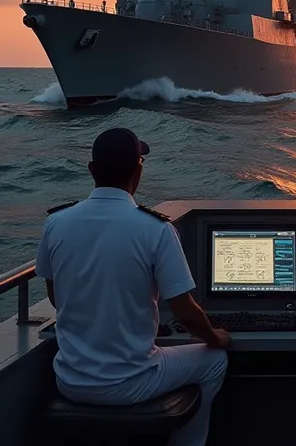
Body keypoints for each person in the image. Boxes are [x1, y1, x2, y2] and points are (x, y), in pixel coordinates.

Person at [35, 128, 229, 446]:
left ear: (92, 170)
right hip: (130, 383)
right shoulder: (156, 230)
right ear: (139, 169)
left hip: (69, 381)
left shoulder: (56, 223)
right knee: (215, 361)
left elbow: (57, 297)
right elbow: (186, 313)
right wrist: (215, 336)